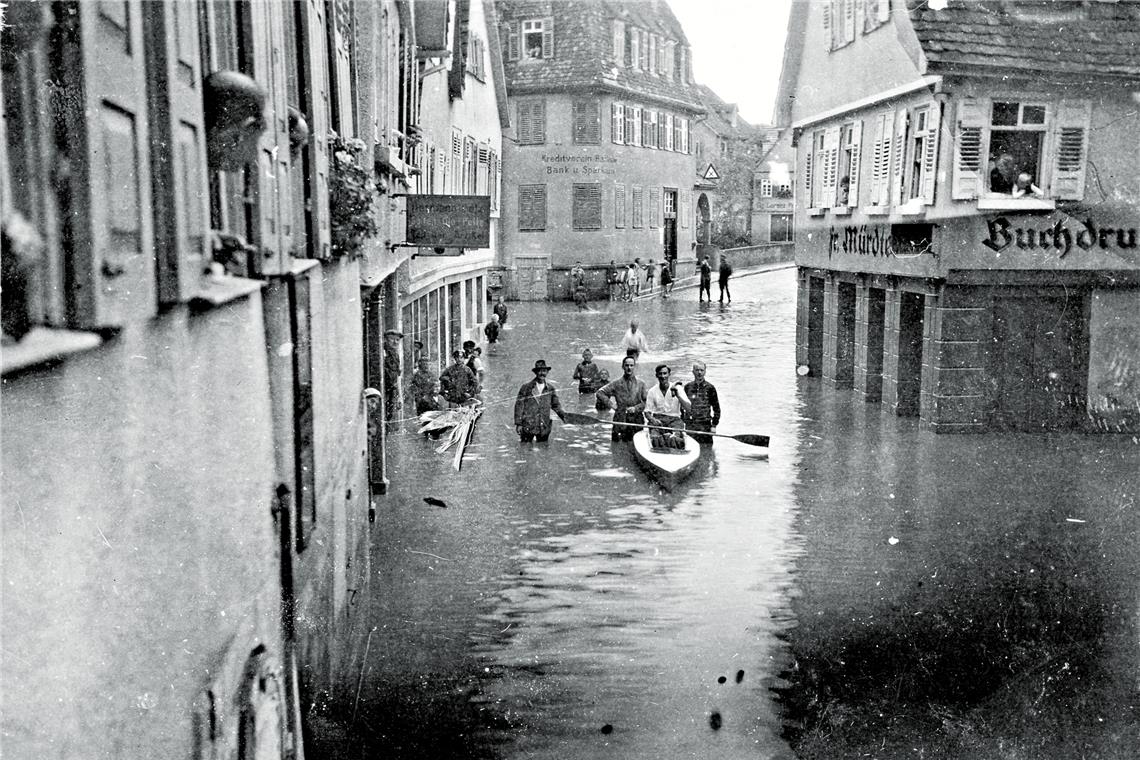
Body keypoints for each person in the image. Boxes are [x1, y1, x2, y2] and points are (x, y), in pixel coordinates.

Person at [596, 355, 648, 442]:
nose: (629, 368)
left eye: (631, 365)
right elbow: (600, 393)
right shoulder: (616, 383)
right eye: (627, 365)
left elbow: (646, 402)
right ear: (623, 366)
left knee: (635, 444)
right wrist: (612, 405)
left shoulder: (641, 384)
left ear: (635, 367)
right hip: (620, 418)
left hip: (636, 419)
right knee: (618, 445)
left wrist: (635, 408)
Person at [513, 360, 566, 443]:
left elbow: (556, 406)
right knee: (525, 449)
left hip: (544, 425)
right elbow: (519, 406)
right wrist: (518, 424)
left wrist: (564, 416)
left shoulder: (550, 389)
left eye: (544, 371)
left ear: (547, 372)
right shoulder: (526, 387)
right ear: (536, 372)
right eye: (540, 371)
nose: (542, 373)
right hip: (528, 425)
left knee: (543, 449)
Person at [644, 364, 691, 449]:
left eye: (665, 373)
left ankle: (672, 441)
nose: (663, 376)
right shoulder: (652, 391)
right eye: (660, 374)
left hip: (675, 421)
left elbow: (689, 408)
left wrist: (678, 395)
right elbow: (647, 411)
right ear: (656, 375)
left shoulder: (678, 388)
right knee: (655, 439)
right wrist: (652, 420)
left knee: (675, 439)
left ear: (669, 374)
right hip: (658, 420)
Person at [682, 361, 721, 445]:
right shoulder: (687, 387)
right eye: (697, 370)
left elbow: (716, 408)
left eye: (701, 370)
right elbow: (681, 407)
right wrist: (684, 421)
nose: (699, 372)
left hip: (705, 426)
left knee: (707, 451)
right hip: (691, 426)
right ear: (693, 372)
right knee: (691, 448)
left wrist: (714, 425)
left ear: (705, 371)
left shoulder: (710, 388)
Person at [383, 330, 404, 420]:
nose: (395, 342)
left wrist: (400, 396)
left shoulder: (396, 355)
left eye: (397, 340)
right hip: (382, 389)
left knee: (389, 416)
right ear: (385, 339)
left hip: (391, 391)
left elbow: (397, 377)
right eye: (392, 339)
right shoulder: (382, 352)